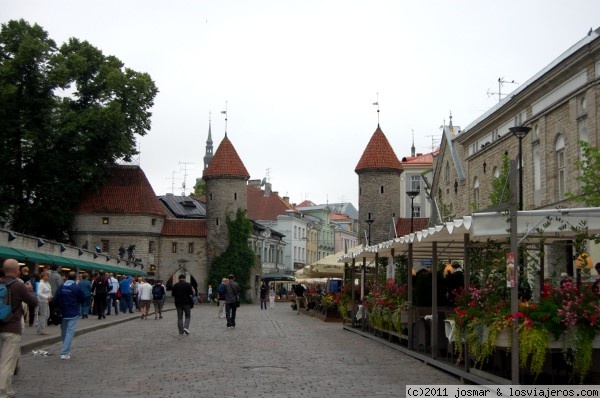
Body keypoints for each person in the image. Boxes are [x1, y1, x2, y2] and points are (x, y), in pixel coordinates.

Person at [0, 259, 38, 398]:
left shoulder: (0, 282)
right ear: (16, 270)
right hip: (12, 327)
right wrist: (30, 291)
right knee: (7, 363)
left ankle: (8, 390)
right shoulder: (18, 285)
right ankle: (3, 393)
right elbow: (33, 302)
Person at [54, 271, 85, 360]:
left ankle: (66, 349)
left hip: (62, 312)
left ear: (67, 277)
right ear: (75, 278)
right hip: (73, 312)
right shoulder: (76, 287)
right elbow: (82, 299)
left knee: (64, 331)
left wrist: (54, 308)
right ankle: (64, 352)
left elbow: (56, 298)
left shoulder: (62, 286)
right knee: (69, 332)